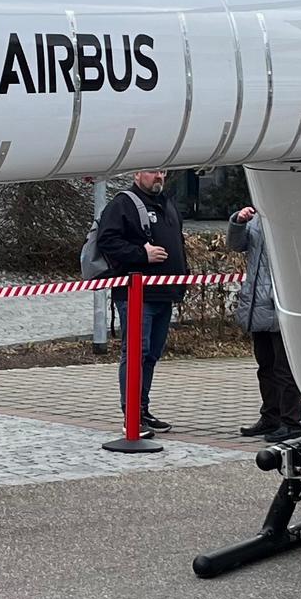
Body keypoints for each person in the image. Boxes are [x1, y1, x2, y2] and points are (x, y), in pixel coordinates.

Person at [97, 167, 188, 433]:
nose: (159, 176)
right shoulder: (123, 203)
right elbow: (107, 241)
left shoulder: (167, 204)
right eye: (152, 171)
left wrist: (182, 279)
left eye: (163, 171)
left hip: (164, 294)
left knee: (151, 355)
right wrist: (141, 255)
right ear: (137, 174)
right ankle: (131, 416)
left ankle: (142, 409)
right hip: (137, 295)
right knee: (137, 352)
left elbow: (178, 244)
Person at [229, 205, 301, 439]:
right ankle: (270, 417)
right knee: (266, 367)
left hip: (281, 303)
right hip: (258, 304)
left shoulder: (293, 218)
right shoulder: (256, 219)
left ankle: (290, 422)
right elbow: (236, 245)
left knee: (285, 369)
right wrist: (238, 221)